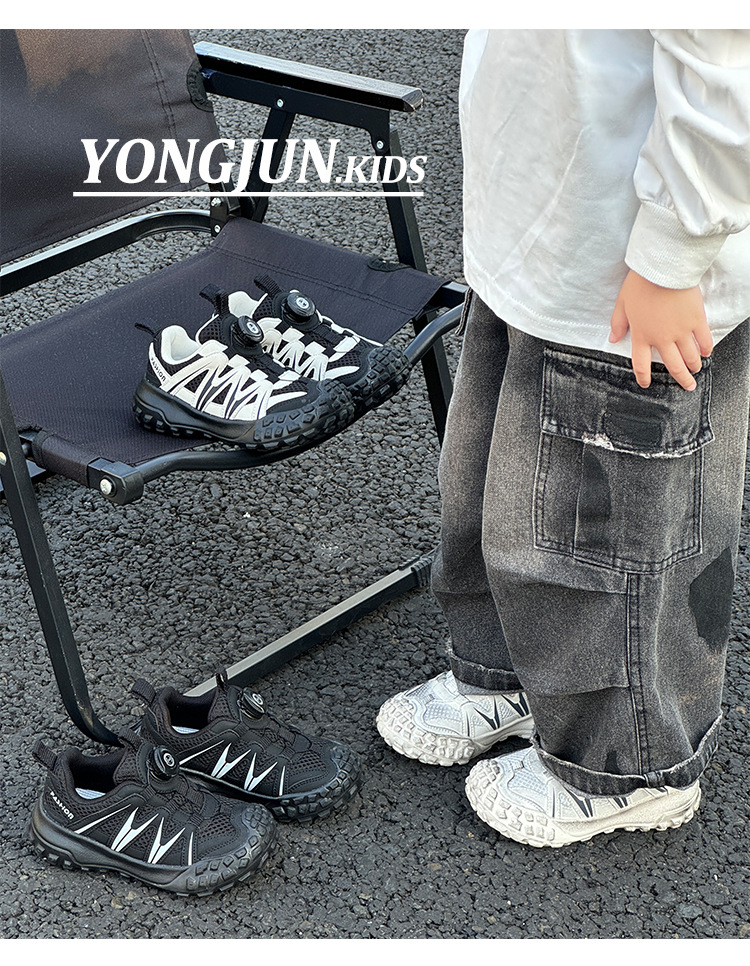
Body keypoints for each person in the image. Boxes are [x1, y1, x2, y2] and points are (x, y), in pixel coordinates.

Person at [376, 29, 750, 847]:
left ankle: (627, 766)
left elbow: (729, 59)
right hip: (538, 225)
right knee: (493, 488)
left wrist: (675, 253)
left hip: (637, 272)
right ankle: (505, 672)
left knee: (608, 535)